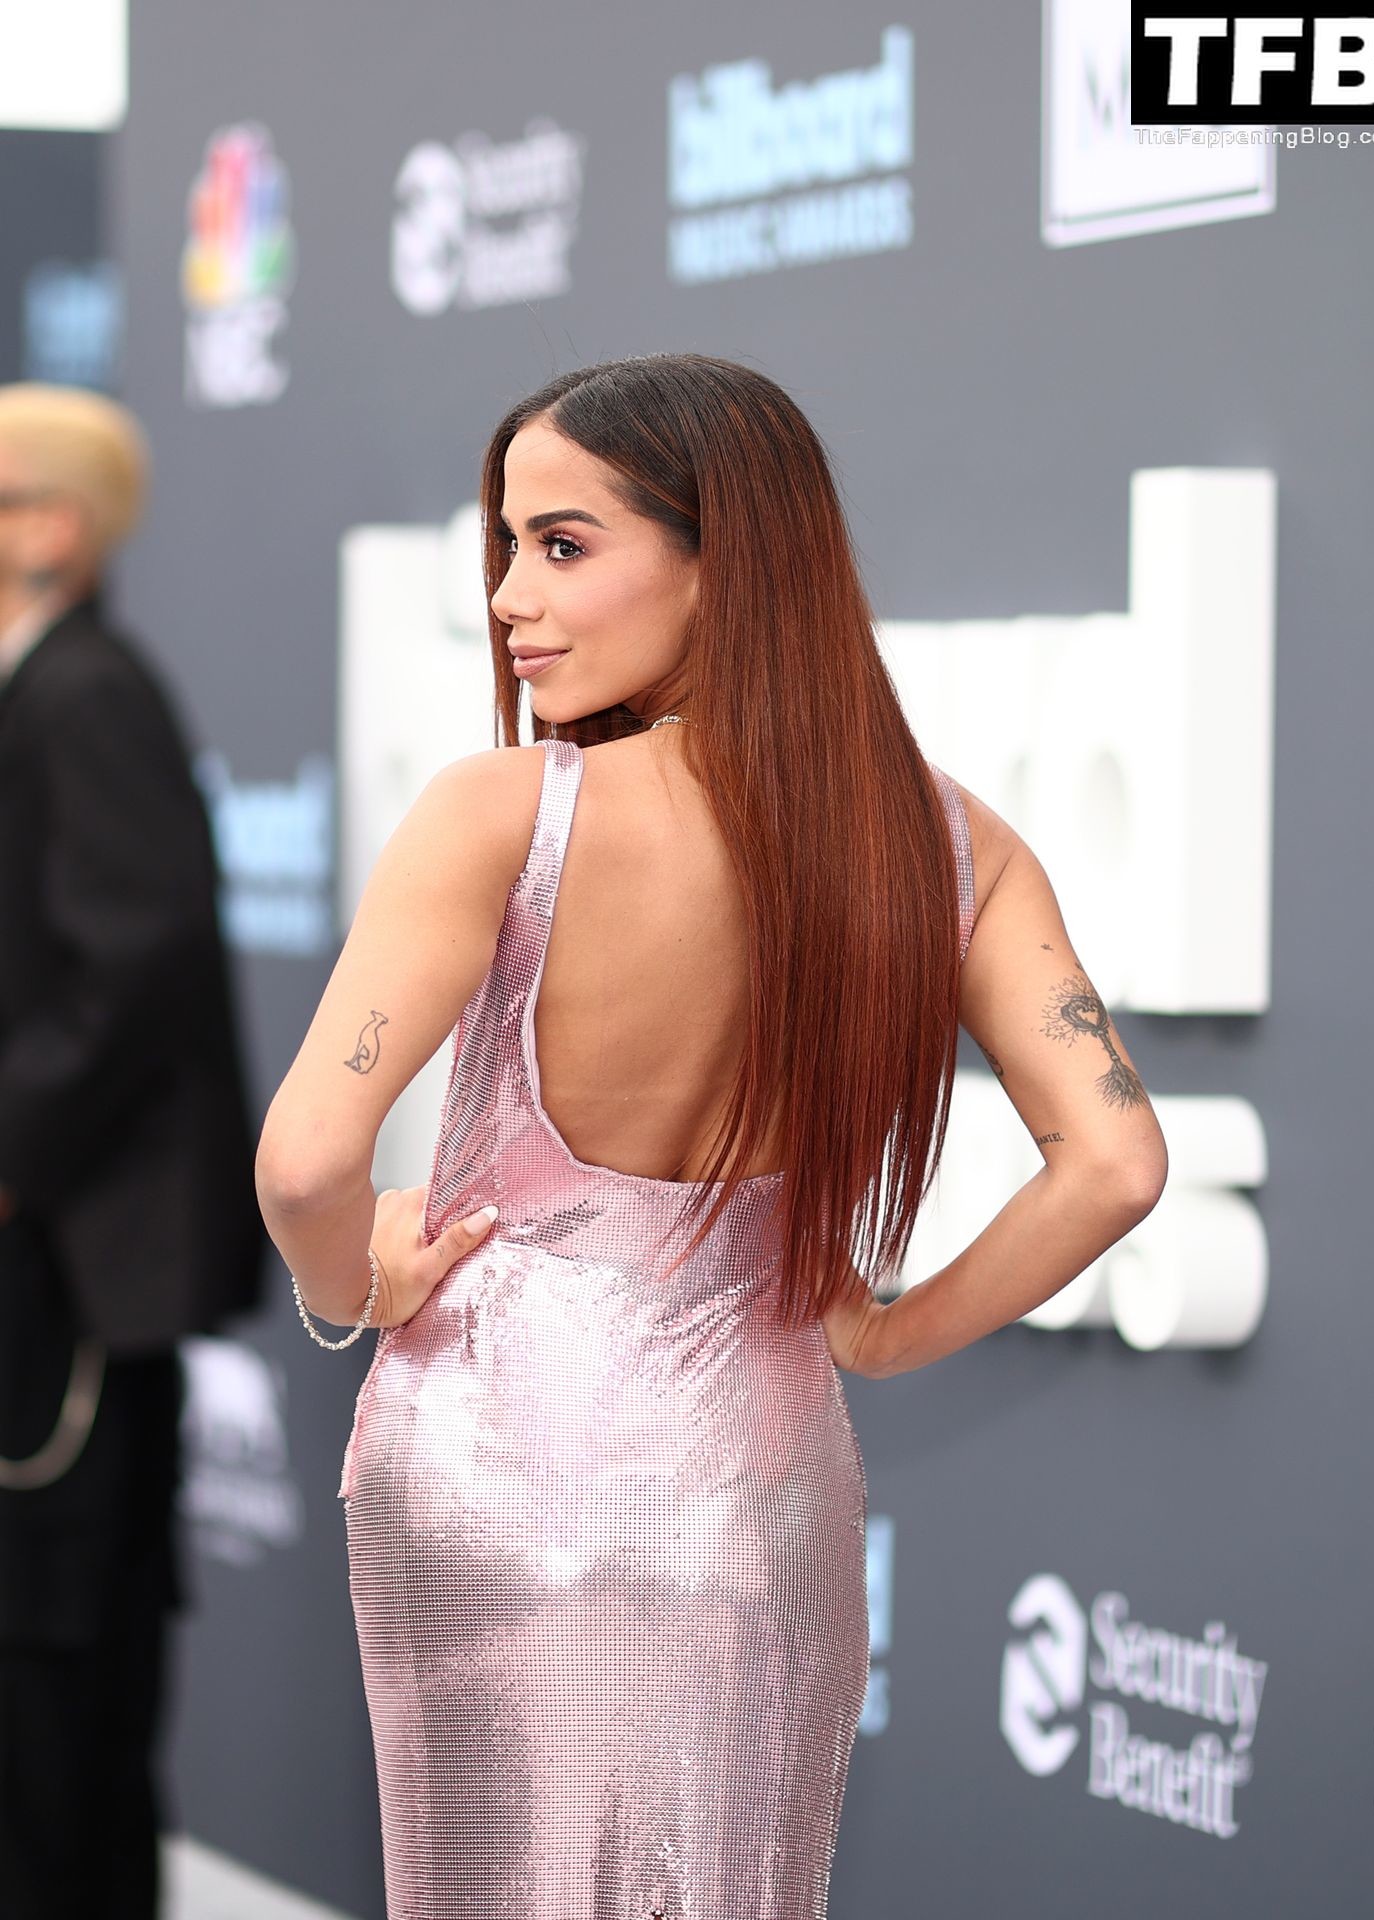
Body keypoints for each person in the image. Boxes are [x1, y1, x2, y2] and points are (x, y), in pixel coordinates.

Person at [255, 352, 1168, 1917]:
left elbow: (302, 1163)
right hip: (758, 1486)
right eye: (504, 546)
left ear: (722, 560)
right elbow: (1119, 1162)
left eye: (564, 544)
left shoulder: (499, 812)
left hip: (481, 1474)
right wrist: (885, 1337)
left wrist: (353, 1283)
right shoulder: (948, 843)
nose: (510, 598)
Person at [0, 384, 266, 1919]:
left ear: (50, 526)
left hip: (74, 1272)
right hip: (46, 1255)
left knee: (58, 1681)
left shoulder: (86, 694)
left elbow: (133, 960)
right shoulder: (37, 689)